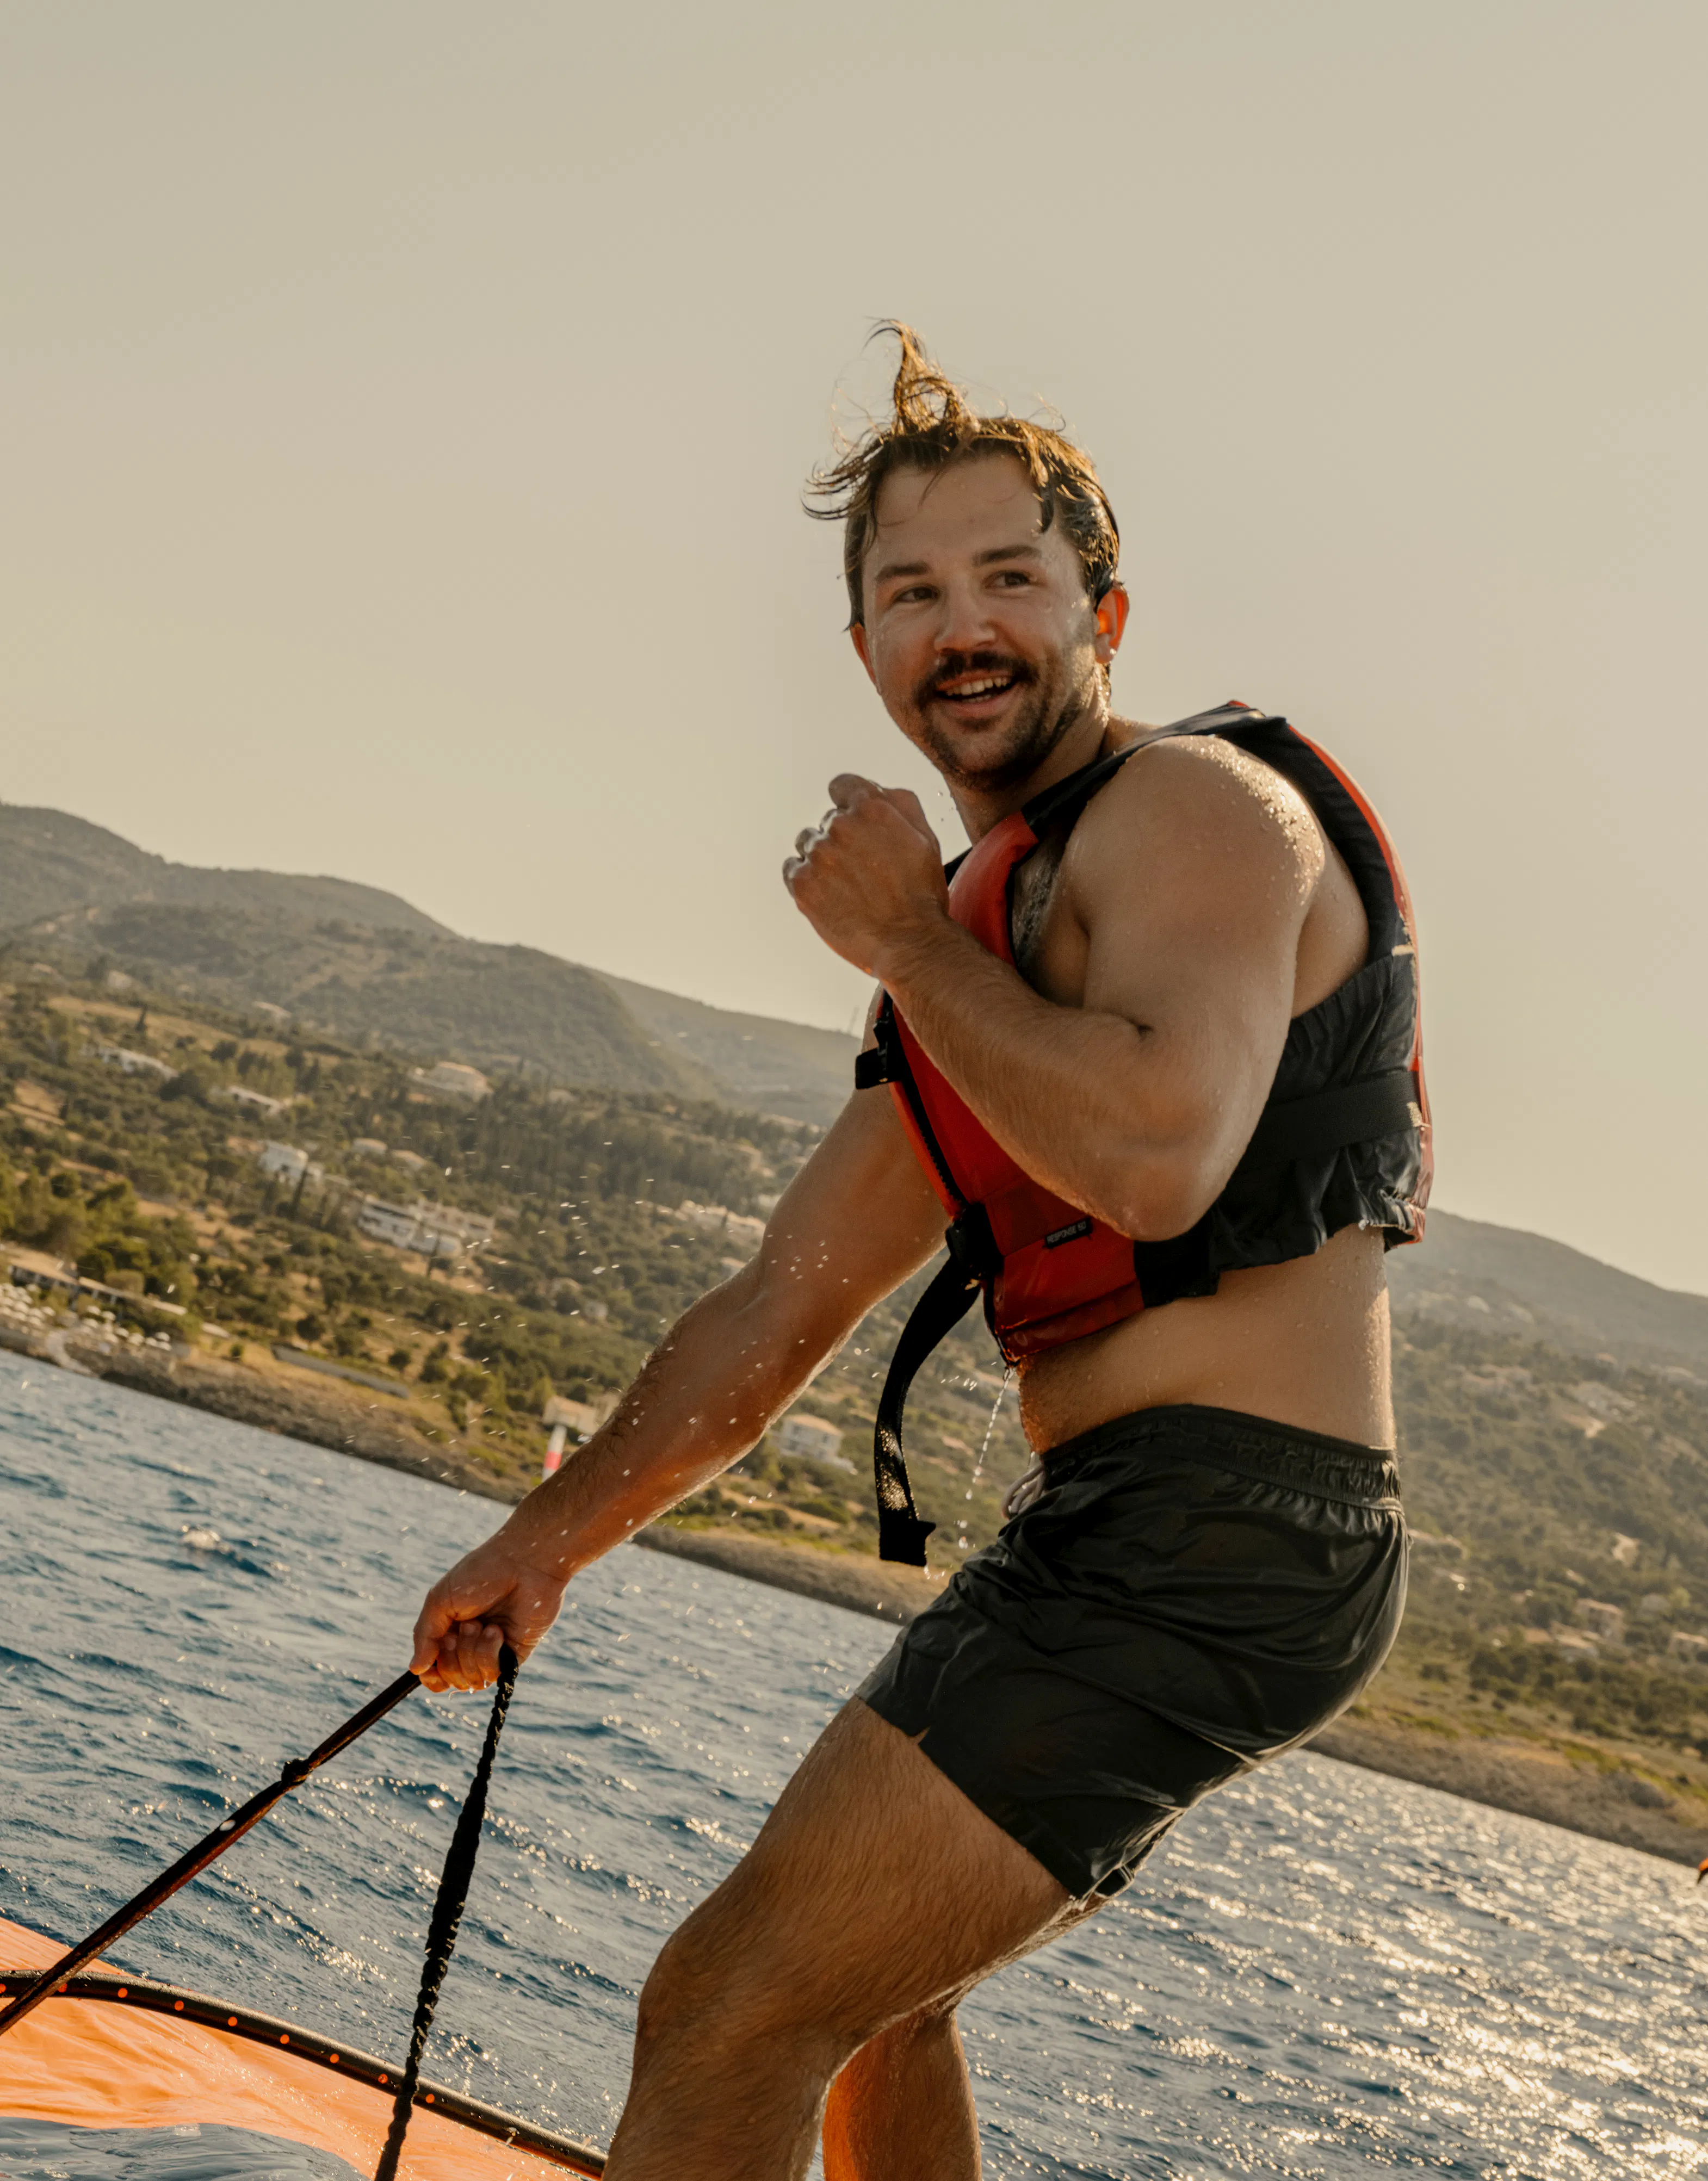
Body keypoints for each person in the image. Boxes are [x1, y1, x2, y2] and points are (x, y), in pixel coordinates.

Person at [410, 326, 1430, 2180]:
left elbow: (1158, 1161)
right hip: (1127, 1528)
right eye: (911, 591)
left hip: (1231, 1532)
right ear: (865, 648)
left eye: (1009, 581)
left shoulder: (1199, 815)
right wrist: (536, 1545)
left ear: (1103, 610)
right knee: (878, 1997)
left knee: (726, 2007)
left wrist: (902, 948)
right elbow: (784, 1299)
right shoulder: (970, 948)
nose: (963, 624)